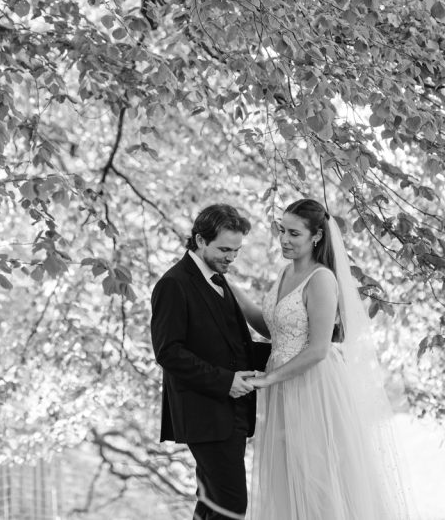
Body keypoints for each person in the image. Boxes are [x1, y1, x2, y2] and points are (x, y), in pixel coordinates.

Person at [233, 198, 412, 519]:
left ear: (316, 236)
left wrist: (267, 378)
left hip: (313, 385)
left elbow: (318, 349)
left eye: (294, 233)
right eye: (281, 231)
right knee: (287, 474)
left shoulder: (321, 279)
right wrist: (229, 289)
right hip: (282, 386)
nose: (284, 240)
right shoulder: (286, 272)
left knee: (315, 473)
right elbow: (273, 326)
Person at [151, 204, 272, 520]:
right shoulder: (174, 284)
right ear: (200, 240)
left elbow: (235, 348)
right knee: (231, 507)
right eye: (224, 249)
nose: (231, 257)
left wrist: (291, 352)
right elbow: (168, 352)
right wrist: (225, 382)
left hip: (231, 415)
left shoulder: (218, 279)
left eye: (236, 250)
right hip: (204, 414)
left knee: (212, 506)